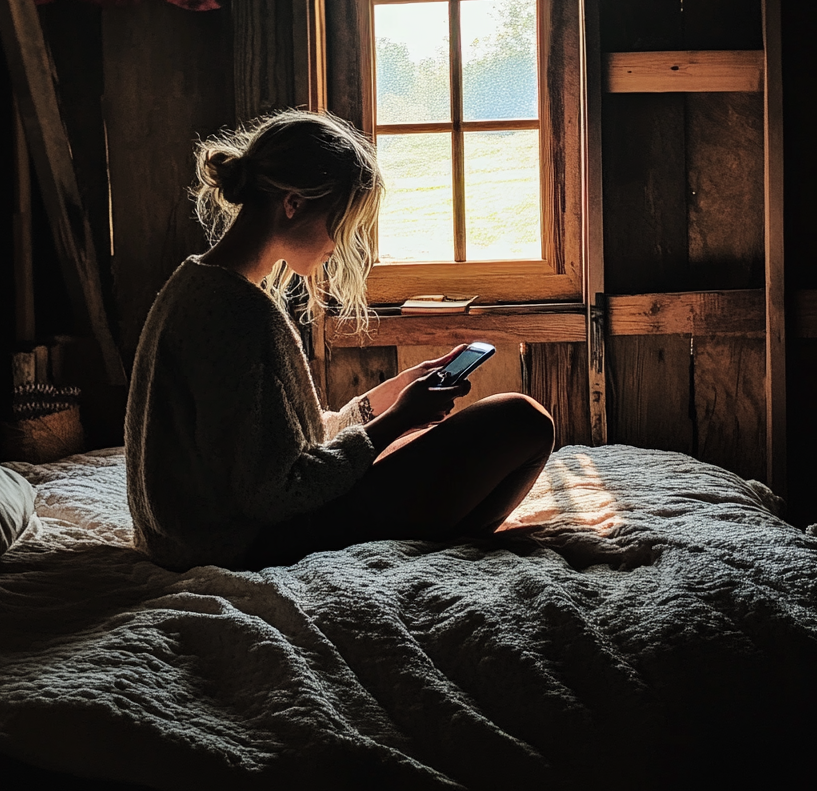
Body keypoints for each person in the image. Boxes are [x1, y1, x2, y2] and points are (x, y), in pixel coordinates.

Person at [125, 109, 555, 571]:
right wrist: (396, 424)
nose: (343, 241)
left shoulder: (199, 285)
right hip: (244, 546)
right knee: (521, 421)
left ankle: (433, 543)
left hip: (207, 538)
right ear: (293, 204)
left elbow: (275, 448)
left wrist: (386, 403)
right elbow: (276, 492)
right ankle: (435, 548)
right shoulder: (235, 311)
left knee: (492, 432)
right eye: (342, 220)